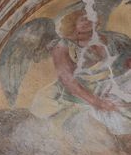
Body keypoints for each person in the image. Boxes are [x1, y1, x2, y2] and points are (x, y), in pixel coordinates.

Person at [30, 7, 131, 136]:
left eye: (92, 17)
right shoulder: (63, 45)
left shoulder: (113, 38)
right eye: (83, 19)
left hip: (113, 83)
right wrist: (98, 103)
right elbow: (68, 80)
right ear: (72, 22)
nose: (88, 22)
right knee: (116, 115)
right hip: (82, 92)